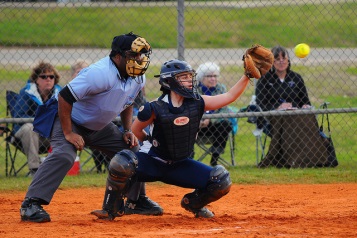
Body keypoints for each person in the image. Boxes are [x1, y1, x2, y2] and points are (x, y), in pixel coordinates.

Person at [20, 32, 162, 223]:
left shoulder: (137, 77)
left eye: (140, 55)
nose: (139, 59)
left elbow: (128, 102)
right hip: (70, 119)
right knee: (64, 155)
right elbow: (64, 96)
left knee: (132, 151)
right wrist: (69, 132)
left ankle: (136, 202)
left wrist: (127, 130)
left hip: (98, 125)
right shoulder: (100, 73)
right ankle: (30, 204)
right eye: (133, 55)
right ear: (118, 56)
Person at [91, 58, 251, 220]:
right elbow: (135, 130)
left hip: (180, 165)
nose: (190, 81)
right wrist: (149, 139)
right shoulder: (154, 107)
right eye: (184, 77)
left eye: (190, 76)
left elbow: (229, 96)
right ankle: (111, 209)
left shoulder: (197, 102)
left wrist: (247, 76)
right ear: (169, 81)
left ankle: (193, 203)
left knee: (221, 181)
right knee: (122, 162)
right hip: (153, 162)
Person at [13, 61, 62, 176]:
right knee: (29, 128)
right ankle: (35, 170)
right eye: (44, 77)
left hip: (50, 135)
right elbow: (19, 116)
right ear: (36, 79)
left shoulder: (60, 94)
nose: (48, 79)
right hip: (29, 134)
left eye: (51, 76)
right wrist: (42, 120)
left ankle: (59, 169)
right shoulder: (27, 93)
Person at [255, 45, 311, 136]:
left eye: (284, 58)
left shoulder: (296, 78)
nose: (281, 61)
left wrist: (305, 106)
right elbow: (260, 104)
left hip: (297, 116)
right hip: (274, 119)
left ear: (288, 61)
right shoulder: (264, 79)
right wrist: (278, 107)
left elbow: (305, 101)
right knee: (290, 126)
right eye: (277, 59)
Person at [195, 62, 234, 166]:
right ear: (201, 77)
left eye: (215, 76)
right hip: (196, 126)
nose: (213, 79)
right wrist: (200, 120)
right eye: (209, 76)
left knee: (226, 124)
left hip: (214, 126)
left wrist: (210, 120)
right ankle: (189, 159)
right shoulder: (195, 90)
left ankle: (215, 157)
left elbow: (223, 109)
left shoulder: (221, 88)